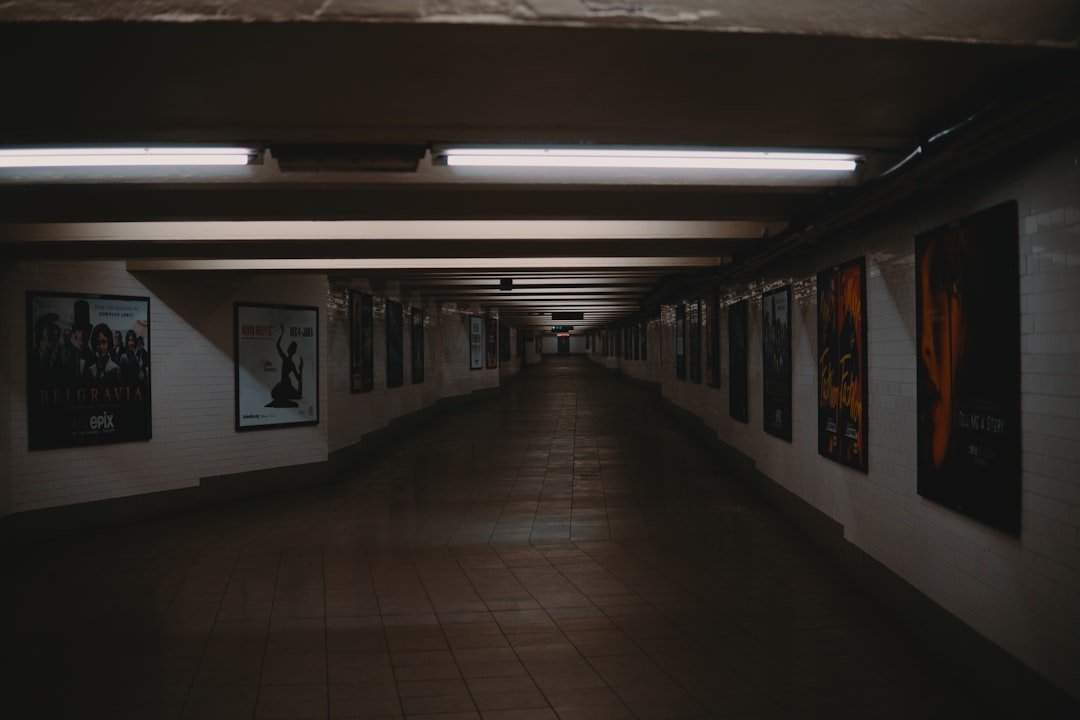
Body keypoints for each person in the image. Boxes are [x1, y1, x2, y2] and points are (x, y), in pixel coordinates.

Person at [267, 324, 303, 407]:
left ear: (291, 350)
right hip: (285, 383)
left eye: (290, 347)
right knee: (275, 394)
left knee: (275, 394)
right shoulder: (289, 362)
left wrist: (282, 334)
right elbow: (299, 379)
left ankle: (283, 398)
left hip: (285, 384)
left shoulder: (287, 360)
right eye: (290, 346)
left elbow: (277, 345)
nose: (288, 347)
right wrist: (301, 370)